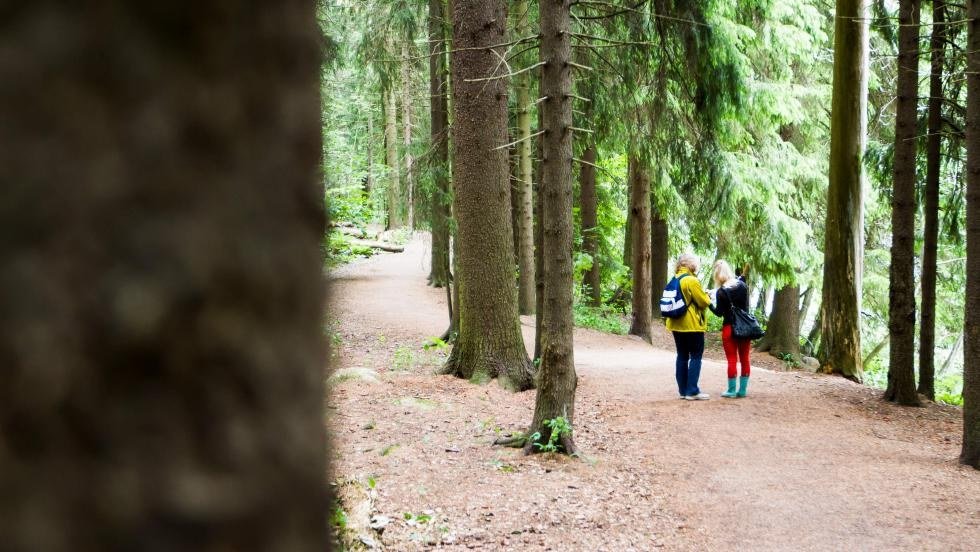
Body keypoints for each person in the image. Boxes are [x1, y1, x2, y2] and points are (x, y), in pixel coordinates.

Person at [666, 253, 712, 400]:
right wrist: (707, 296)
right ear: (691, 264)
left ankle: (682, 391)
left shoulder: (674, 279)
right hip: (691, 324)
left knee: (682, 355)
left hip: (675, 323)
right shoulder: (692, 280)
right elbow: (703, 302)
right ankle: (692, 391)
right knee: (696, 355)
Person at [709, 260, 751, 398]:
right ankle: (743, 390)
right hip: (744, 328)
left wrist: (709, 303)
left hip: (729, 328)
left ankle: (731, 391)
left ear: (716, 275)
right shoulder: (743, 286)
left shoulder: (721, 292)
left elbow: (719, 313)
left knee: (732, 359)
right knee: (745, 358)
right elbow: (745, 307)